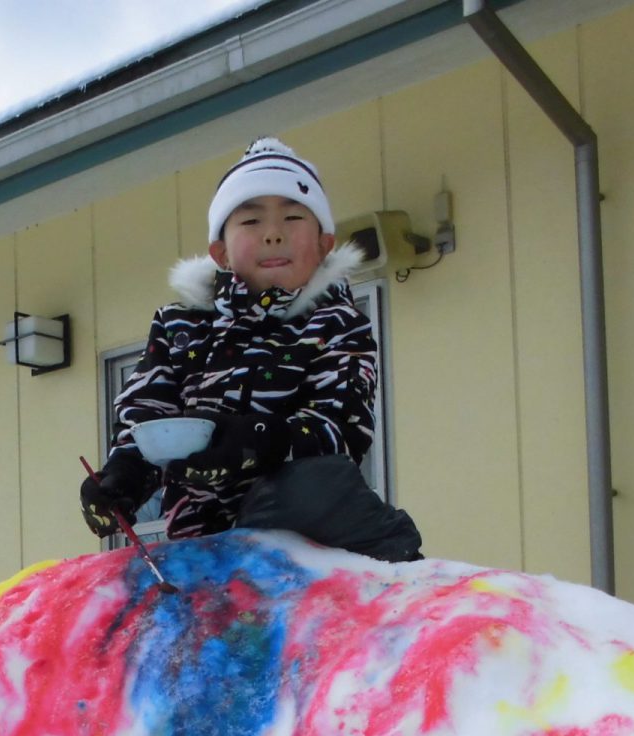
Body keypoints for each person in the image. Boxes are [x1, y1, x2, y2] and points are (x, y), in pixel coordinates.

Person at [80, 136, 422, 561]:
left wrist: (261, 440)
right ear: (220, 251)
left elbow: (342, 428)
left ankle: (396, 564)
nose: (273, 234)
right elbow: (149, 417)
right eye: (251, 221)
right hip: (204, 539)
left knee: (312, 484)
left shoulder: (337, 324)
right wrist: (124, 475)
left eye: (293, 218)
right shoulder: (180, 327)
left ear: (324, 245)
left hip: (312, 536)